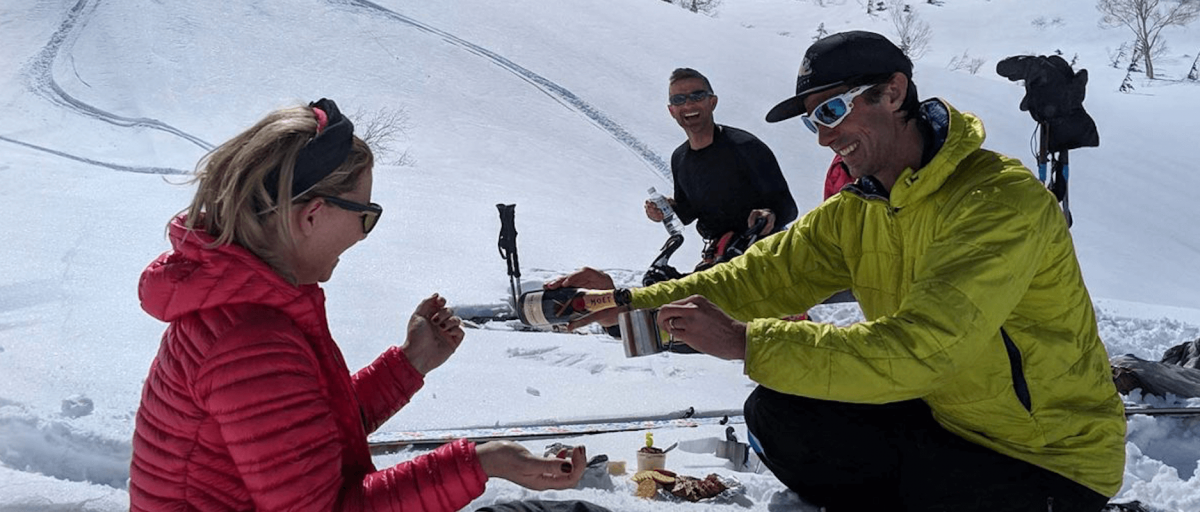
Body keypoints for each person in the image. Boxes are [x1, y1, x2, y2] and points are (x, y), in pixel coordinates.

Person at [552, 31, 1125, 512]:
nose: (824, 136)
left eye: (830, 111)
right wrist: (622, 303)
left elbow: (922, 349)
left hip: (1046, 458)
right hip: (945, 418)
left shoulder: (996, 201)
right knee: (779, 412)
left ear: (893, 92)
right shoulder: (862, 207)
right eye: (812, 121)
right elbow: (752, 278)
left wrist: (745, 341)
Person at [129, 98, 587, 512]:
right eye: (365, 216)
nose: (363, 234)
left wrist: (410, 363)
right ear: (311, 216)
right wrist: (483, 462)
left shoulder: (247, 308)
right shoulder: (248, 339)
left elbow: (308, 437)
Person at [645, 67, 799, 268]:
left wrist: (769, 214)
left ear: (712, 102)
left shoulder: (746, 146)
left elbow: (787, 207)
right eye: (678, 100)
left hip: (766, 255)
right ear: (672, 110)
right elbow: (688, 211)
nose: (688, 104)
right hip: (718, 256)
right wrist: (665, 209)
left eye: (697, 96)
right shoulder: (680, 158)